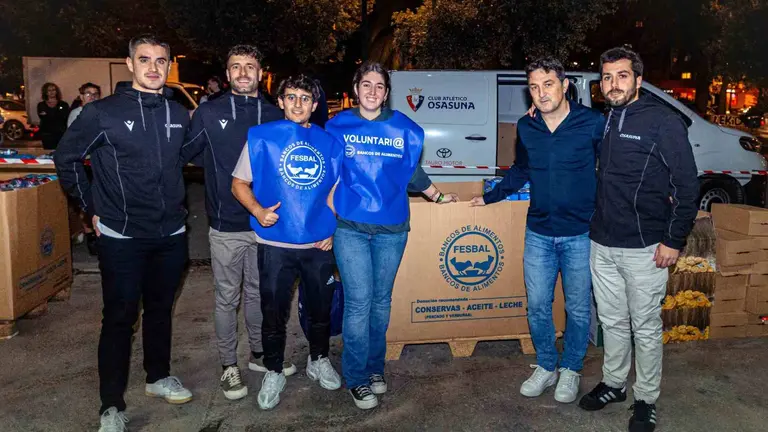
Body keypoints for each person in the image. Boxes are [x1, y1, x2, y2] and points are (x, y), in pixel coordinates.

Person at [54, 34, 193, 432]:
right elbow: (66, 158)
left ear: (169, 65)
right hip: (122, 237)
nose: (153, 67)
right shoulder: (102, 113)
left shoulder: (178, 113)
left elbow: (179, 161)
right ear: (129, 64)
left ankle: (158, 377)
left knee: (161, 312)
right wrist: (91, 207)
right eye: (144, 59)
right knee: (119, 318)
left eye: (161, 61)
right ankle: (111, 405)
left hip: (171, 232)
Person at [469, 56, 605, 404]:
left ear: (565, 85)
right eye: (534, 86)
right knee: (539, 306)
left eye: (548, 84)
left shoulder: (592, 123)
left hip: (580, 233)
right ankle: (547, 365)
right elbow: (520, 170)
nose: (541, 93)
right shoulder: (526, 127)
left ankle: (571, 368)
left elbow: (609, 171)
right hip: (540, 233)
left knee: (576, 308)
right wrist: (490, 197)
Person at [325, 62, 459, 410]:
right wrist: (320, 222)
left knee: (381, 302)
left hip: (392, 229)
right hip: (350, 227)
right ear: (355, 89)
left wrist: (440, 197)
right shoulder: (337, 125)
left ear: (387, 92)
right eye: (366, 84)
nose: (372, 91)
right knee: (359, 303)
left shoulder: (404, 129)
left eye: (379, 86)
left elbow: (414, 175)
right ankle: (355, 378)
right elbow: (324, 176)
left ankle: (374, 369)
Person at [578, 47, 698, 432]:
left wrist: (673, 240)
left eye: (622, 76)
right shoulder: (607, 118)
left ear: (639, 80)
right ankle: (614, 383)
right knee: (612, 322)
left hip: (646, 247)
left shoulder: (664, 122)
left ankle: (646, 398)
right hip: (602, 242)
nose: (613, 84)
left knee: (644, 326)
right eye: (607, 77)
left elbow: (687, 187)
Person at [179, 44, 295, 401]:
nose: (243, 73)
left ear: (261, 74)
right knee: (227, 297)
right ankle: (229, 365)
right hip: (226, 224)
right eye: (235, 67)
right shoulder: (208, 113)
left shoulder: (277, 114)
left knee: (261, 295)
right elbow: (187, 155)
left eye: (250, 66)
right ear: (227, 74)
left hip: (268, 224)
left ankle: (259, 355)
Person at [231, 75, 343, 410]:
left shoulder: (330, 143)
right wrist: (257, 210)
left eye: (305, 98)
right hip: (275, 244)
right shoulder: (261, 138)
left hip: (317, 245)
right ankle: (274, 369)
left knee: (321, 310)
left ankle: (318, 359)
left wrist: (333, 229)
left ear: (314, 104)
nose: (297, 104)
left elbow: (337, 191)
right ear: (280, 101)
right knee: (273, 313)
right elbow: (239, 183)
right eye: (291, 97)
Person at [66, 82, 103, 256]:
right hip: (83, 163)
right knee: (86, 201)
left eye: (96, 94)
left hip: (98, 162)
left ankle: (99, 234)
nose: (92, 97)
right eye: (88, 94)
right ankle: (91, 237)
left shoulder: (102, 112)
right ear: (81, 96)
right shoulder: (76, 114)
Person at [37, 82, 70, 149]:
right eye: (49, 90)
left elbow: (64, 117)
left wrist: (49, 114)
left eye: (53, 90)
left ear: (56, 92)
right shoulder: (41, 105)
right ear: (45, 92)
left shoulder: (63, 104)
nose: (51, 92)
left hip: (61, 134)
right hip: (47, 135)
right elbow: (44, 118)